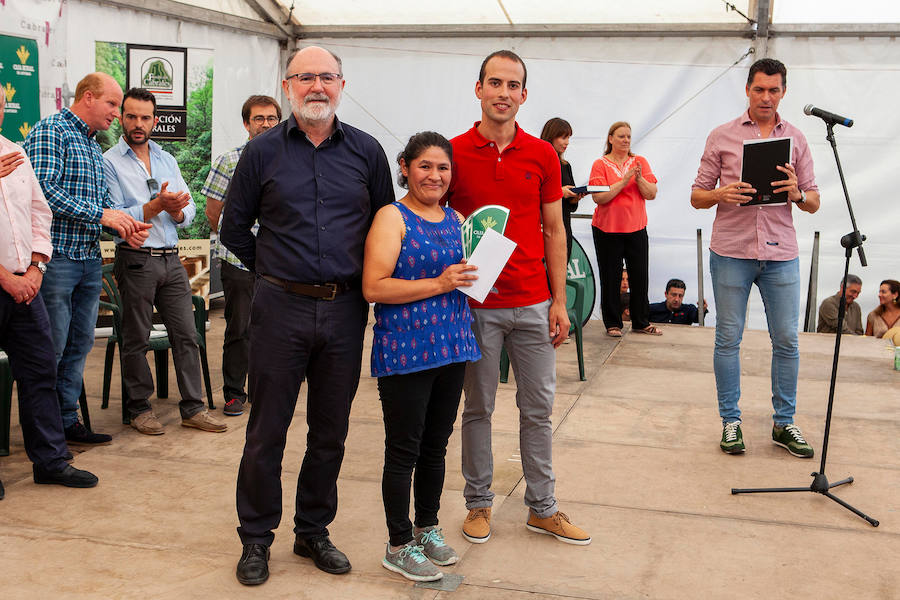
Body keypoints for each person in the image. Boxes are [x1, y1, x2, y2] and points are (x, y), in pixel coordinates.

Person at [221, 46, 394, 586]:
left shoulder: (368, 153)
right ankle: (256, 538)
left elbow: (386, 226)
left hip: (345, 311)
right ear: (287, 84)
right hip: (279, 309)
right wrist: (274, 274)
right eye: (305, 77)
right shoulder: (262, 152)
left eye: (327, 76)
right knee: (265, 428)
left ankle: (313, 529)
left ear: (342, 84)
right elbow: (233, 230)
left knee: (330, 431)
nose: (316, 86)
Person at [445, 50, 590, 547]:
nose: (504, 93)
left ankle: (543, 508)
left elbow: (554, 229)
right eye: (495, 83)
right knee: (478, 408)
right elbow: (439, 224)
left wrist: (557, 301)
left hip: (532, 302)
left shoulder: (543, 154)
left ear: (524, 95)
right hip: (475, 305)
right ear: (479, 89)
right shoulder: (454, 152)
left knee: (538, 409)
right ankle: (478, 503)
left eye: (514, 85)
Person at [363, 132, 481, 582]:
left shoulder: (456, 218)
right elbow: (374, 287)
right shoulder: (391, 218)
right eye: (426, 166)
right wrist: (441, 283)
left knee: (436, 446)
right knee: (403, 451)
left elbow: (466, 278)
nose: (435, 175)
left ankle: (427, 527)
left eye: (443, 168)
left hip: (452, 346)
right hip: (406, 351)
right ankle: (398, 544)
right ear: (406, 168)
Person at [691, 58, 820, 458]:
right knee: (728, 339)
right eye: (760, 89)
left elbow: (813, 201)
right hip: (731, 251)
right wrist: (721, 194)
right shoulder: (721, 136)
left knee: (787, 340)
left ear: (784, 92)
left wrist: (797, 192)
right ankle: (731, 422)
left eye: (774, 90)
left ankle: (784, 424)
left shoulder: (797, 138)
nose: (766, 97)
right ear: (747, 89)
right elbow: (697, 195)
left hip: (781, 253)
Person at [24, 72, 150, 447]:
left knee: (80, 346)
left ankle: (66, 421)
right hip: (56, 260)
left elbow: (100, 205)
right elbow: (43, 192)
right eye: (112, 104)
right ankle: (46, 436)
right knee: (53, 348)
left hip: (88, 259)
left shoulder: (94, 146)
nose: (118, 113)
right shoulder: (52, 131)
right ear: (88, 97)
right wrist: (102, 216)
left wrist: (125, 224)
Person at [103, 87, 227, 435]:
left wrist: (173, 210)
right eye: (131, 116)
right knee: (136, 337)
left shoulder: (166, 158)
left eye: (145, 117)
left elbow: (188, 211)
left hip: (171, 258)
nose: (138, 124)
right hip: (136, 259)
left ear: (155, 121)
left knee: (187, 334)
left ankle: (193, 408)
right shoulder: (110, 161)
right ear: (122, 118)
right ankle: (140, 409)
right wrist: (157, 206)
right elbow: (115, 213)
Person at [1, 89, 100, 496]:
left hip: (28, 285)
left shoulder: (15, 152)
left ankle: (50, 461)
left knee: (41, 371)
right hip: (6, 281)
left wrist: (37, 266)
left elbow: (40, 212)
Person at [202, 95, 282, 417]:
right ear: (246, 124)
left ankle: (269, 390)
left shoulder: (290, 160)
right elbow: (213, 213)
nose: (265, 124)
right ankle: (235, 392)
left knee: (279, 329)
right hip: (239, 261)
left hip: (279, 264)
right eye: (258, 118)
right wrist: (244, 244)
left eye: (271, 118)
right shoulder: (229, 160)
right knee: (240, 329)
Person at [589, 121, 660, 338]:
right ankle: (613, 323)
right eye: (621, 136)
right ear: (610, 139)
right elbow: (599, 197)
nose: (626, 140)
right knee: (610, 276)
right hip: (607, 229)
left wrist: (638, 178)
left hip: (636, 227)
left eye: (628, 136)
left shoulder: (639, 162)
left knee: (640, 275)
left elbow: (652, 193)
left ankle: (641, 321)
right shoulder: (600, 164)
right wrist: (624, 181)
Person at [540, 118, 585, 262]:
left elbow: (571, 206)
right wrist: (561, 192)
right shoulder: (539, 163)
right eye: (563, 137)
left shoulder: (566, 165)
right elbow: (533, 196)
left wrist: (574, 197)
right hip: (542, 228)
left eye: (569, 138)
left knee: (561, 272)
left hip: (564, 226)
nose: (567, 142)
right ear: (551, 136)